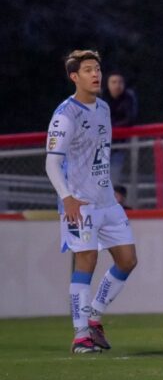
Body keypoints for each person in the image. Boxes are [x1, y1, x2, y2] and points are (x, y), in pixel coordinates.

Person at [45, 50, 138, 353]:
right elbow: (52, 164)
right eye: (88, 70)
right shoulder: (65, 115)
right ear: (74, 77)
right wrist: (68, 198)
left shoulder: (103, 108)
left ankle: (94, 316)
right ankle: (81, 334)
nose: (95, 74)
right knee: (87, 261)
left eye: (97, 68)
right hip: (80, 203)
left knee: (127, 260)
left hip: (107, 201)